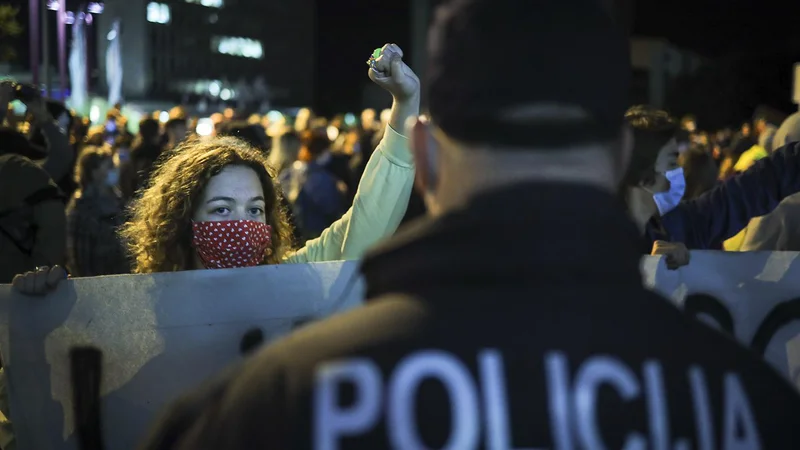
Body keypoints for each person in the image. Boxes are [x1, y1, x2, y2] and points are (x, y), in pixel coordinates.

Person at [138, 2, 800, 449]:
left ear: (424, 160)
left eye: (251, 207)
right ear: (624, 159)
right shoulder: (752, 408)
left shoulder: (266, 408)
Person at [13, 42, 418, 290]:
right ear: (181, 219)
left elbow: (368, 218)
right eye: (222, 209)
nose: (243, 226)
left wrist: (405, 104)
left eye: (255, 211)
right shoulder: (140, 306)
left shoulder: (288, 280)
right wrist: (42, 313)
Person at [65, 145, 130, 276]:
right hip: (96, 281)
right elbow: (78, 257)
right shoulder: (83, 207)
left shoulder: (117, 200)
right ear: (94, 173)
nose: (114, 171)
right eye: (109, 167)